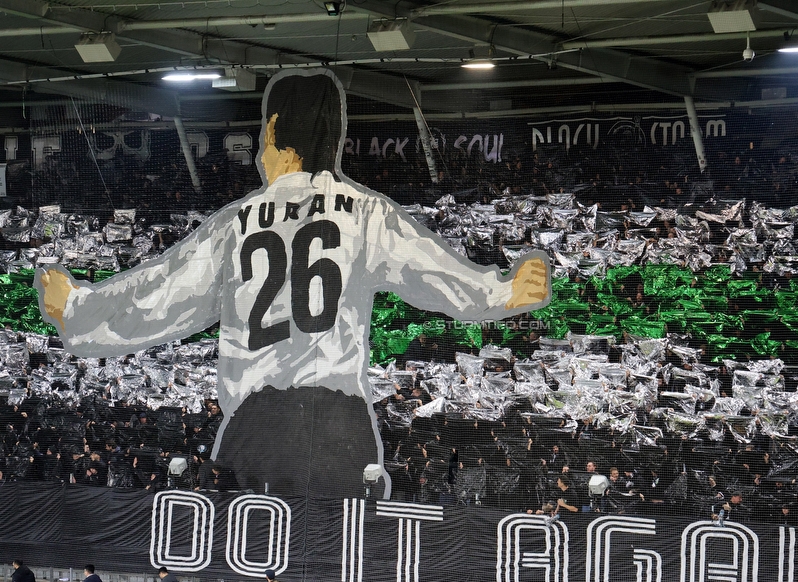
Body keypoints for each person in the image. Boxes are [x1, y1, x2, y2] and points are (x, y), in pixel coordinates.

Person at [34, 69, 551, 501]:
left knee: (246, 554)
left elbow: (162, 296)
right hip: (341, 426)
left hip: (258, 422)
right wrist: (503, 292)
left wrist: (76, 309)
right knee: (342, 555)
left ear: (275, 130)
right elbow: (432, 273)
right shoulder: (366, 213)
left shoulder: (237, 222)